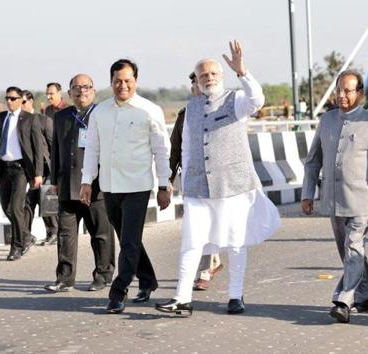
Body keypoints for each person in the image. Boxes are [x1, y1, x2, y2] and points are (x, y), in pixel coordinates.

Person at [155, 40, 280, 316]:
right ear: (197, 81)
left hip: (233, 186)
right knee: (191, 243)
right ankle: (182, 298)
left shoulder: (236, 100)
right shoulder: (191, 110)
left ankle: (236, 296)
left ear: (221, 76)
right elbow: (186, 149)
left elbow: (258, 100)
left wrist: (243, 72)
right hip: (198, 188)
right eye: (203, 75)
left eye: (213, 74)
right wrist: (182, 183)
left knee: (235, 242)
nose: (208, 78)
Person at [79, 59, 171, 314]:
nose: (123, 85)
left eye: (128, 80)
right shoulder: (100, 112)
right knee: (128, 239)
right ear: (111, 82)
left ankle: (118, 291)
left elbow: (162, 151)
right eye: (118, 81)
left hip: (138, 185)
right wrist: (87, 181)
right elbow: (92, 150)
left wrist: (164, 184)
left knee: (129, 242)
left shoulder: (150, 110)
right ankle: (149, 280)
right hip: (109, 186)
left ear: (136, 81)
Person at [301, 70, 368, 323]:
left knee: (354, 247)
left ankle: (344, 299)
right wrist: (308, 194)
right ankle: (367, 292)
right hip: (332, 199)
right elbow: (312, 161)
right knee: (350, 251)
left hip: (362, 201)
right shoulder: (326, 121)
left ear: (360, 93)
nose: (342, 95)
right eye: (339, 90)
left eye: (348, 90)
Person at [45, 74, 116, 293]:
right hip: (67, 185)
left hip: (96, 186)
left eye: (86, 87)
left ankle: (103, 275)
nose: (81, 91)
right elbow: (55, 150)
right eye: (76, 88)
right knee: (65, 235)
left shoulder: (104, 114)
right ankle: (65, 278)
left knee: (101, 233)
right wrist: (55, 180)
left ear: (93, 91)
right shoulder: (62, 116)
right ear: (70, 93)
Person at [169, 71, 224, 292]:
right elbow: (175, 148)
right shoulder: (185, 114)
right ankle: (211, 263)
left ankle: (205, 270)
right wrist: (168, 179)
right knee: (198, 227)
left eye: (199, 81)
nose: (196, 85)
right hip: (192, 180)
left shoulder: (221, 111)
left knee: (212, 225)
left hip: (217, 178)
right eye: (193, 82)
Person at [0, 86, 44, 261]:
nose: (9, 101)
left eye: (12, 98)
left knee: (17, 208)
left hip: (21, 170)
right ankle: (26, 236)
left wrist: (38, 173)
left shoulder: (30, 119)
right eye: (7, 98)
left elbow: (38, 148)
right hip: (3, 168)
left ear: (20, 100)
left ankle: (16, 246)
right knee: (7, 207)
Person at [20, 90, 59, 246]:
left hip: (46, 168)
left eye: (23, 102)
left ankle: (53, 232)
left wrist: (55, 167)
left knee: (46, 199)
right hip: (29, 169)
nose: (20, 105)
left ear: (31, 102)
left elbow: (52, 145)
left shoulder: (43, 120)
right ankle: (25, 235)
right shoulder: (17, 122)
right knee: (28, 202)